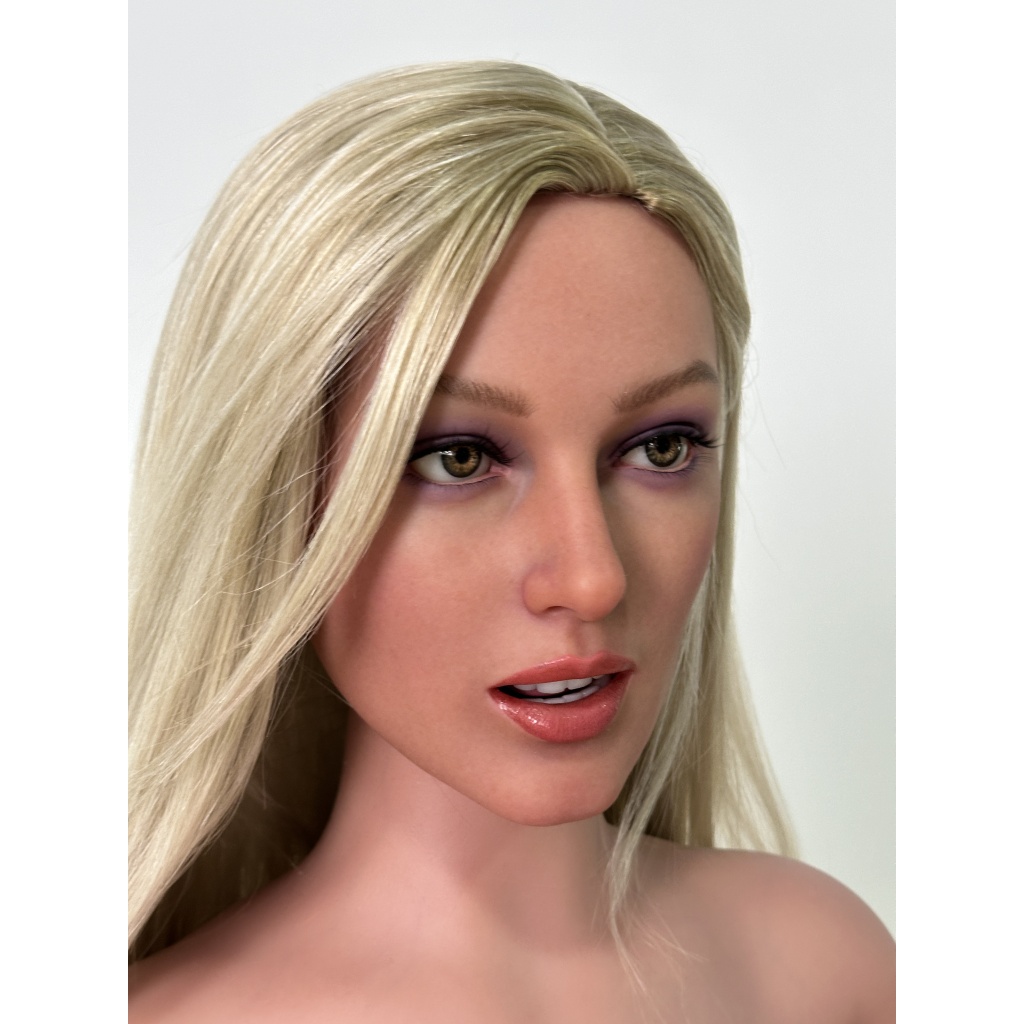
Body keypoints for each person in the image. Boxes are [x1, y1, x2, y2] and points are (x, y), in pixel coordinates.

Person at [128, 61, 895, 1021]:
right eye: (457, 458)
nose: (593, 577)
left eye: (662, 447)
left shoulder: (824, 970)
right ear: (267, 499)